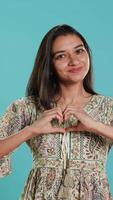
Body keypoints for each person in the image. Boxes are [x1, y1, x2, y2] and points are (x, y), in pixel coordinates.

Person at [0, 24, 113, 200]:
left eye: (79, 51)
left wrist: (96, 125)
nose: (74, 61)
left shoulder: (108, 107)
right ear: (49, 64)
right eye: (61, 56)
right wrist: (31, 130)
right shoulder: (26, 107)